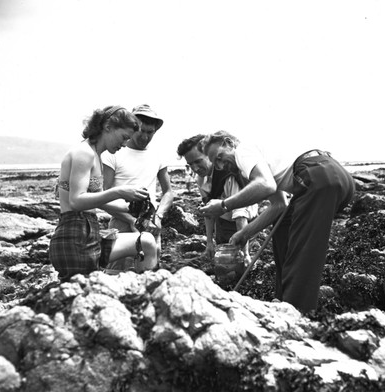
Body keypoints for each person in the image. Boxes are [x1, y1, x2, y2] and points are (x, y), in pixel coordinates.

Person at [198, 131, 355, 313]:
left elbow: (265, 185)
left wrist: (223, 205)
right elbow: (279, 205)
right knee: (283, 227)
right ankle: (282, 297)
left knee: (302, 251)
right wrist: (245, 233)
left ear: (229, 143)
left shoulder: (243, 151)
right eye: (215, 163)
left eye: (219, 157)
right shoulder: (258, 159)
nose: (220, 165)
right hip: (334, 176)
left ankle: (296, 311)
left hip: (317, 176)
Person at [49, 105, 158, 282]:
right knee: (80, 297)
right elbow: (76, 201)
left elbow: (98, 201)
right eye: (124, 137)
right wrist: (119, 191)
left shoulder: (96, 155)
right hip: (74, 239)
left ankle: (145, 292)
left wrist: (132, 207)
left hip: (88, 234)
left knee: (147, 242)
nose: (124, 144)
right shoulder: (83, 153)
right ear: (108, 127)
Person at [101, 104, 174, 257]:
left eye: (150, 132)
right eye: (141, 131)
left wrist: (159, 216)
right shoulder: (114, 151)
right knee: (118, 273)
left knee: (149, 271)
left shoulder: (158, 154)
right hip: (121, 220)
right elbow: (104, 196)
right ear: (133, 127)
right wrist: (131, 220)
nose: (145, 137)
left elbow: (168, 192)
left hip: (151, 221)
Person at [176, 134, 258, 265]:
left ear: (208, 155)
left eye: (198, 161)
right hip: (222, 223)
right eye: (190, 164)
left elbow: (240, 216)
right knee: (223, 264)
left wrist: (245, 252)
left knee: (244, 264)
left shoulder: (229, 174)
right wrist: (209, 241)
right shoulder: (201, 179)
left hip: (245, 225)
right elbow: (208, 211)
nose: (195, 168)